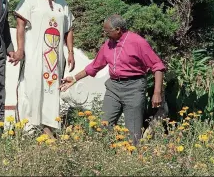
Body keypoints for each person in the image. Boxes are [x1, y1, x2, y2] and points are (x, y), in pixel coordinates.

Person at [59, 14, 166, 145]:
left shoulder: (138, 42)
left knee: (133, 132)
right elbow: (95, 66)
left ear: (118, 30)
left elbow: (158, 66)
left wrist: (157, 93)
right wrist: (74, 79)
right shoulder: (108, 45)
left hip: (134, 88)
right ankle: (107, 155)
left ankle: (130, 160)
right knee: (104, 125)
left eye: (107, 31)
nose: (105, 34)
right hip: (113, 88)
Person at [11, 0, 75, 138]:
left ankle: (49, 131)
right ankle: (28, 131)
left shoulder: (61, 1)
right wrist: (20, 50)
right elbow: (20, 25)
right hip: (34, 55)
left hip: (55, 58)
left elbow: (69, 28)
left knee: (52, 92)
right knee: (32, 90)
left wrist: (70, 52)